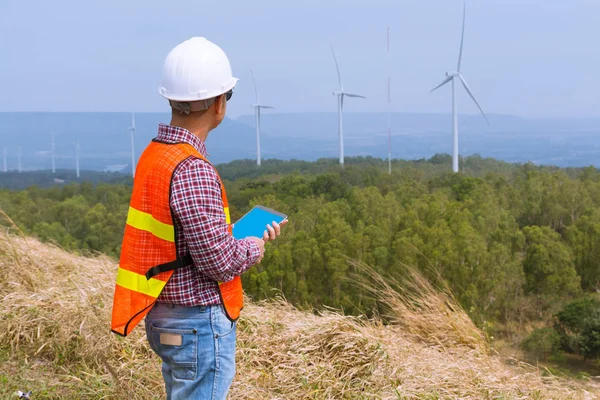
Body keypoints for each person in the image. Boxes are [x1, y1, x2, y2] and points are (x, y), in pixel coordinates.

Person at [110, 37, 285, 399]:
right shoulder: (192, 169)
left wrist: (225, 236)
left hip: (164, 312)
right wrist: (252, 245)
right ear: (219, 103)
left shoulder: (154, 155)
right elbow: (219, 262)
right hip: (195, 321)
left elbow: (182, 238)